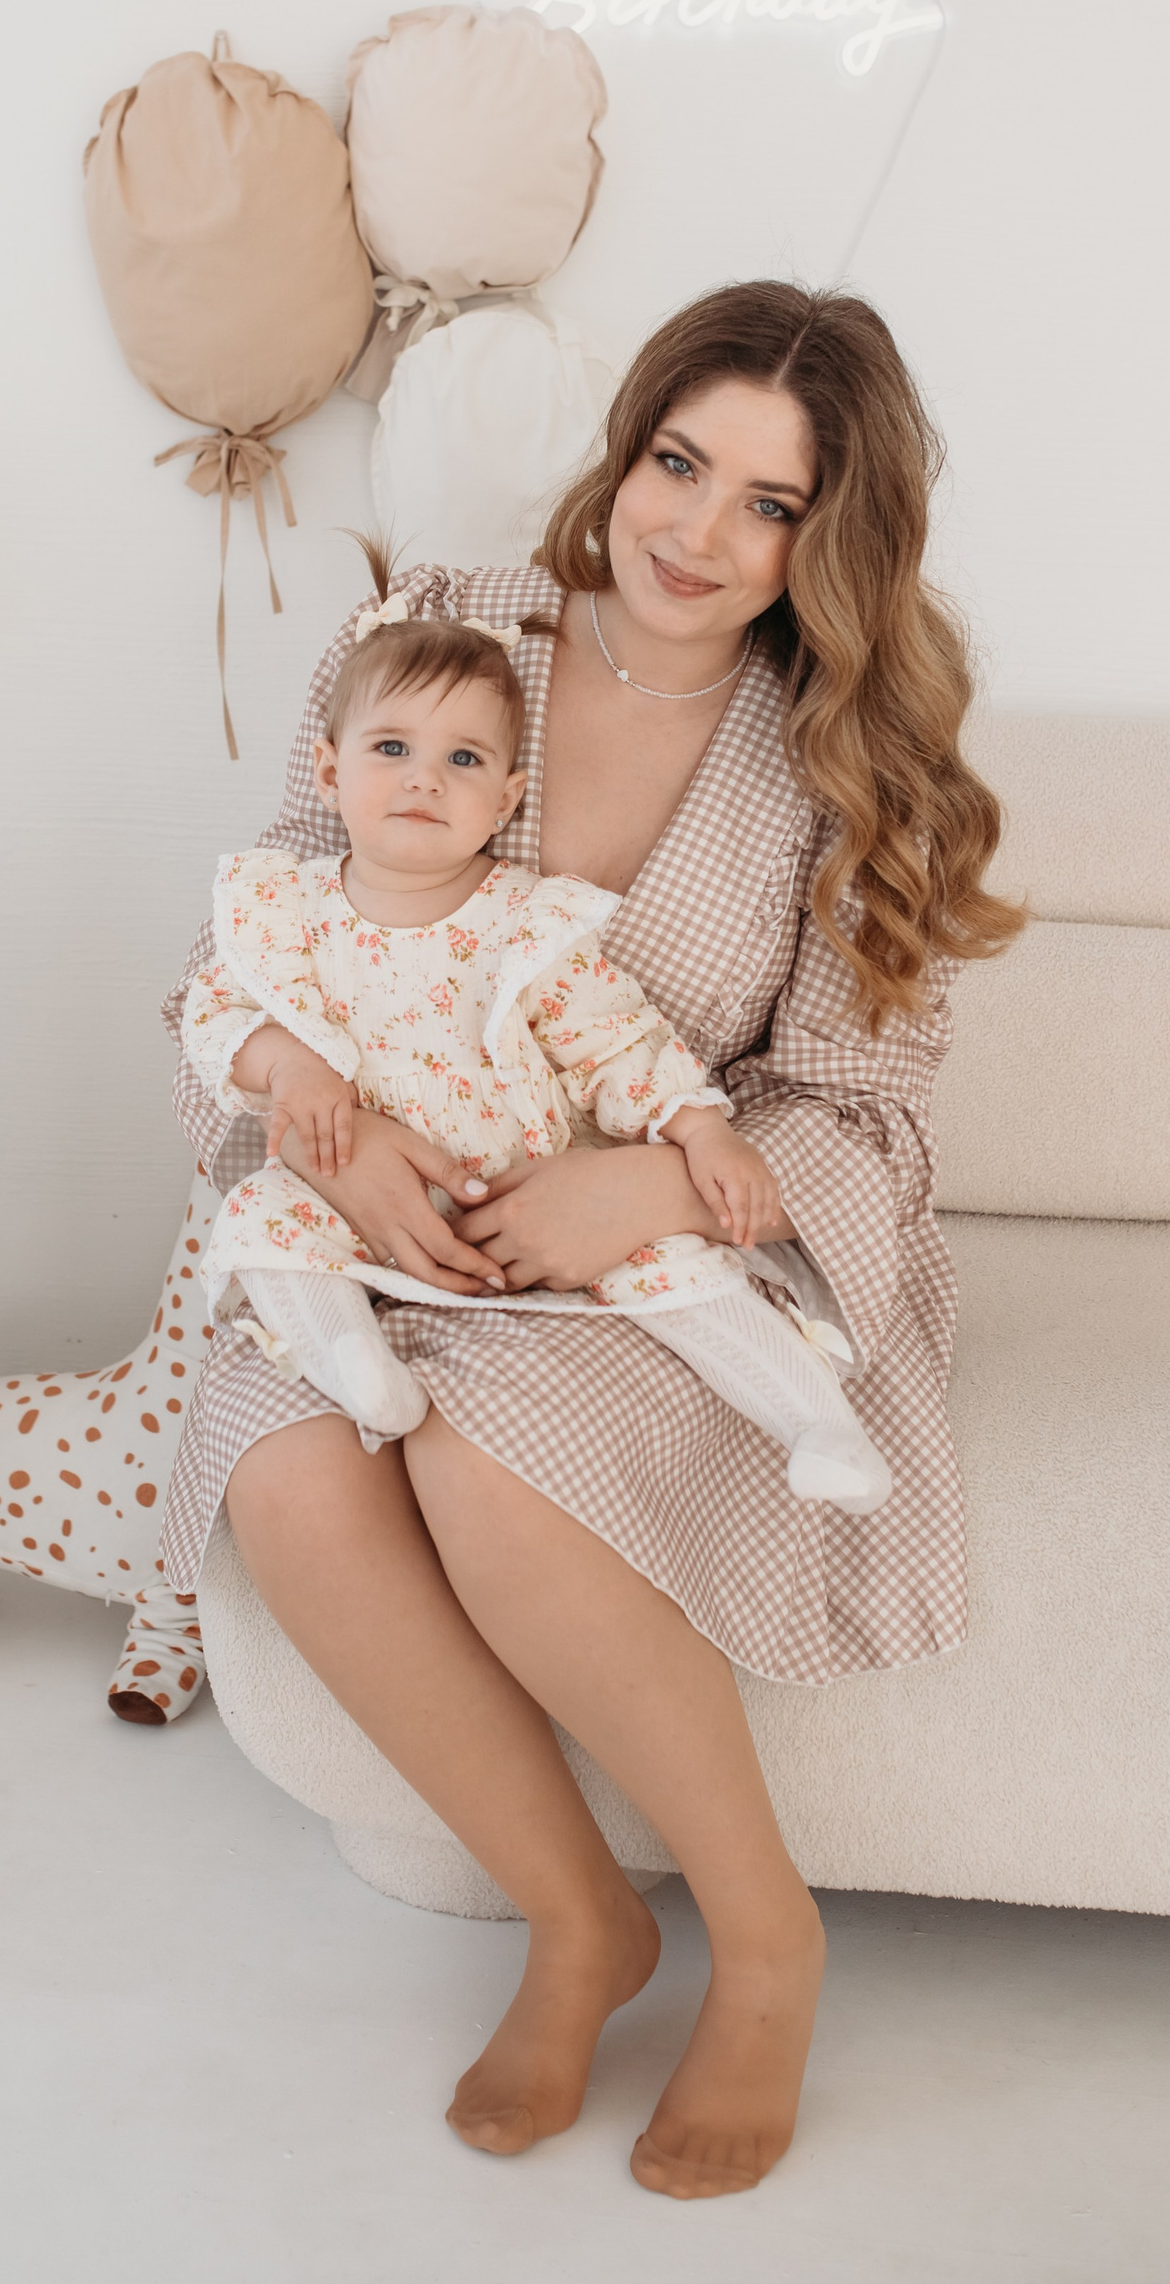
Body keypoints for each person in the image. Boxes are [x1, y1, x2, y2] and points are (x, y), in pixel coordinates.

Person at [160, 281, 1022, 2200]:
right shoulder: (444, 628)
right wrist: (339, 1131)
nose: (696, 533)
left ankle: (766, 1941)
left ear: (833, 542)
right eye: (678, 462)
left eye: (770, 505)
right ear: (626, 449)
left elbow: (868, 1109)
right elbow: (263, 938)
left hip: (667, 1249)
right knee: (288, 1467)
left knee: (489, 1464)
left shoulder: (843, 749)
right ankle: (580, 1923)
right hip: (379, 1215)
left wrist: (646, 1184)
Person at [181, 542, 890, 1511]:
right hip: (362, 1196)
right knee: (260, 1222)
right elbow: (218, 1011)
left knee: (679, 1265)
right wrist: (290, 1068)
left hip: (528, 1198)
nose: (424, 779)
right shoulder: (284, 910)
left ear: (505, 799)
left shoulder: (525, 921)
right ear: (328, 769)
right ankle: (355, 1366)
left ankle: (814, 1420)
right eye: (391, 749)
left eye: (463, 759)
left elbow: (616, 1038)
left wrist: (699, 1129)